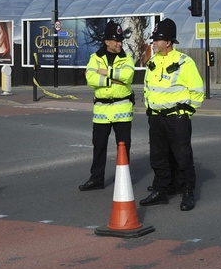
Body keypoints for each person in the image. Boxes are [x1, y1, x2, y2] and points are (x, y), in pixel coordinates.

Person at [140, 18, 204, 211]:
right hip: (156, 117)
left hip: (177, 118)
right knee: (158, 156)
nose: (154, 42)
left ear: (167, 42)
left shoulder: (184, 62)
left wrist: (186, 112)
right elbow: (147, 88)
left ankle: (187, 191)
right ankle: (161, 189)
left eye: (157, 39)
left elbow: (197, 90)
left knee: (182, 156)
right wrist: (150, 108)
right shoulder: (152, 61)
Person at [78, 20, 135, 191]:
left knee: (123, 147)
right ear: (107, 42)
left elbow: (128, 76)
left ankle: (122, 179)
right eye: (116, 40)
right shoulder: (95, 58)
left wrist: (106, 73)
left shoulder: (127, 57)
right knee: (99, 146)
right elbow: (91, 79)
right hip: (102, 110)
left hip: (122, 109)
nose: (119, 43)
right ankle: (96, 178)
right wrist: (114, 78)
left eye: (120, 40)